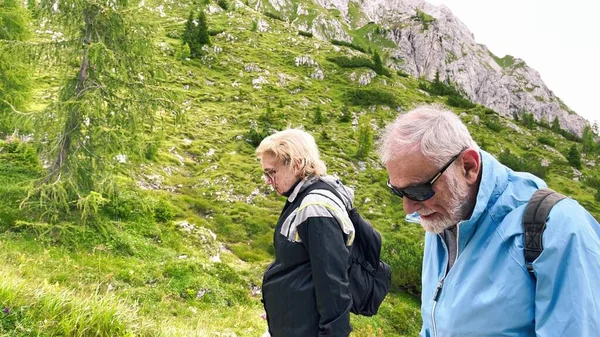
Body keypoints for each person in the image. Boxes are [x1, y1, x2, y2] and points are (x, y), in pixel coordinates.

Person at [379, 105, 600, 336]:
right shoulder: (442, 221)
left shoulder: (558, 229)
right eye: (398, 192)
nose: (408, 207)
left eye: (419, 190)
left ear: (468, 166)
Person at [256, 128, 354, 337]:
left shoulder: (315, 207)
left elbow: (333, 287)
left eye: (271, 172)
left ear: (297, 164)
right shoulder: (301, 197)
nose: (267, 180)